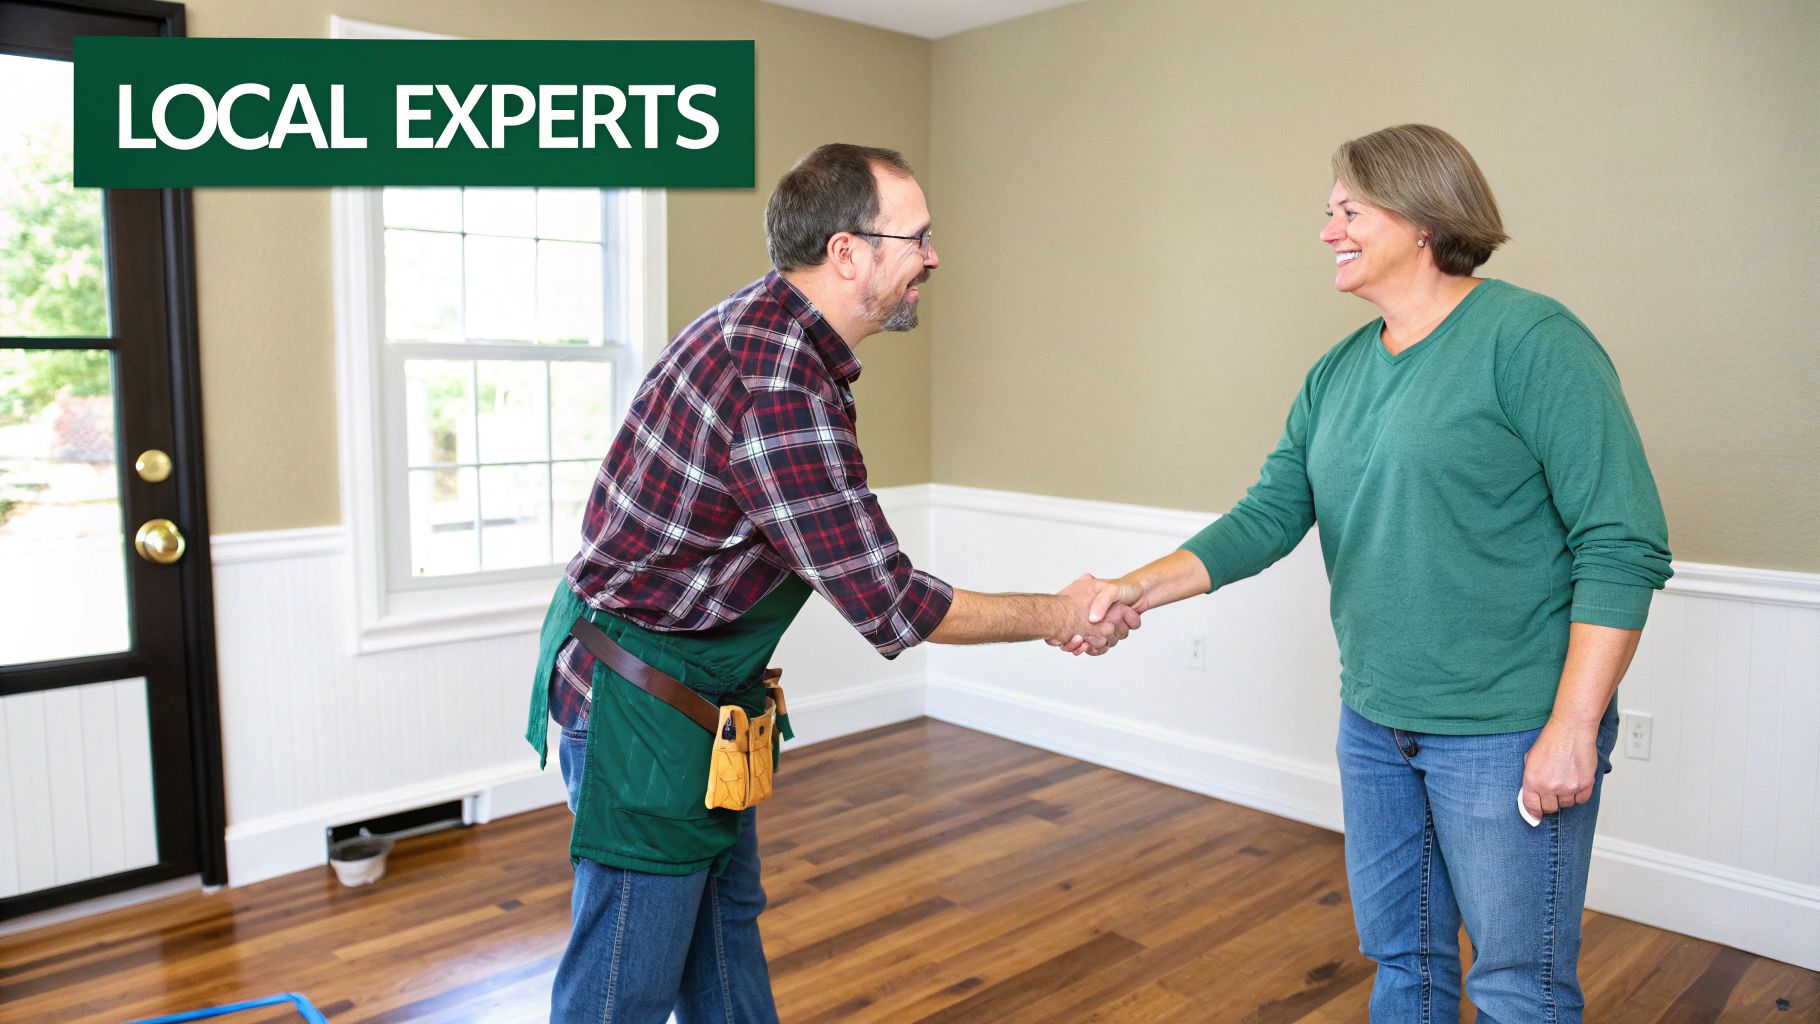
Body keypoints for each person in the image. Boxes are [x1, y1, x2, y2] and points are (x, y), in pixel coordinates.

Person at [524, 142, 1140, 1024]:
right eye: (916, 237)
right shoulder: (776, 382)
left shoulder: (782, 337)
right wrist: (1058, 613)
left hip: (698, 701)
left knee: (724, 939)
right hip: (643, 711)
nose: (933, 257)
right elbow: (891, 603)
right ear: (848, 252)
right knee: (625, 980)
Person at [1071, 124, 1670, 1022]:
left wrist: (1573, 727)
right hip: (1376, 724)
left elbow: (1623, 542)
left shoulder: (1531, 340)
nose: (1327, 232)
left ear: (1423, 216)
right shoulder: (1337, 373)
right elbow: (1269, 515)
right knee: (1403, 962)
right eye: (1328, 213)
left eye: (1347, 210)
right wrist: (1134, 588)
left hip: (1506, 729)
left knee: (1519, 986)